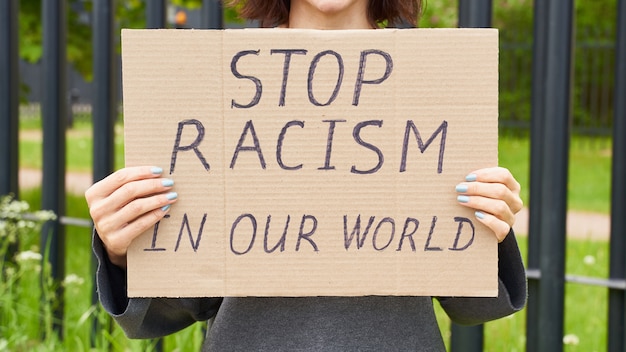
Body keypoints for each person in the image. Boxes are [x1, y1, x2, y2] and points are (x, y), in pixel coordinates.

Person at [85, 0, 527, 350]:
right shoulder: (212, 77)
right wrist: (125, 250)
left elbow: (471, 305)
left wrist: (489, 225)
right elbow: (177, 306)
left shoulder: (436, 79)